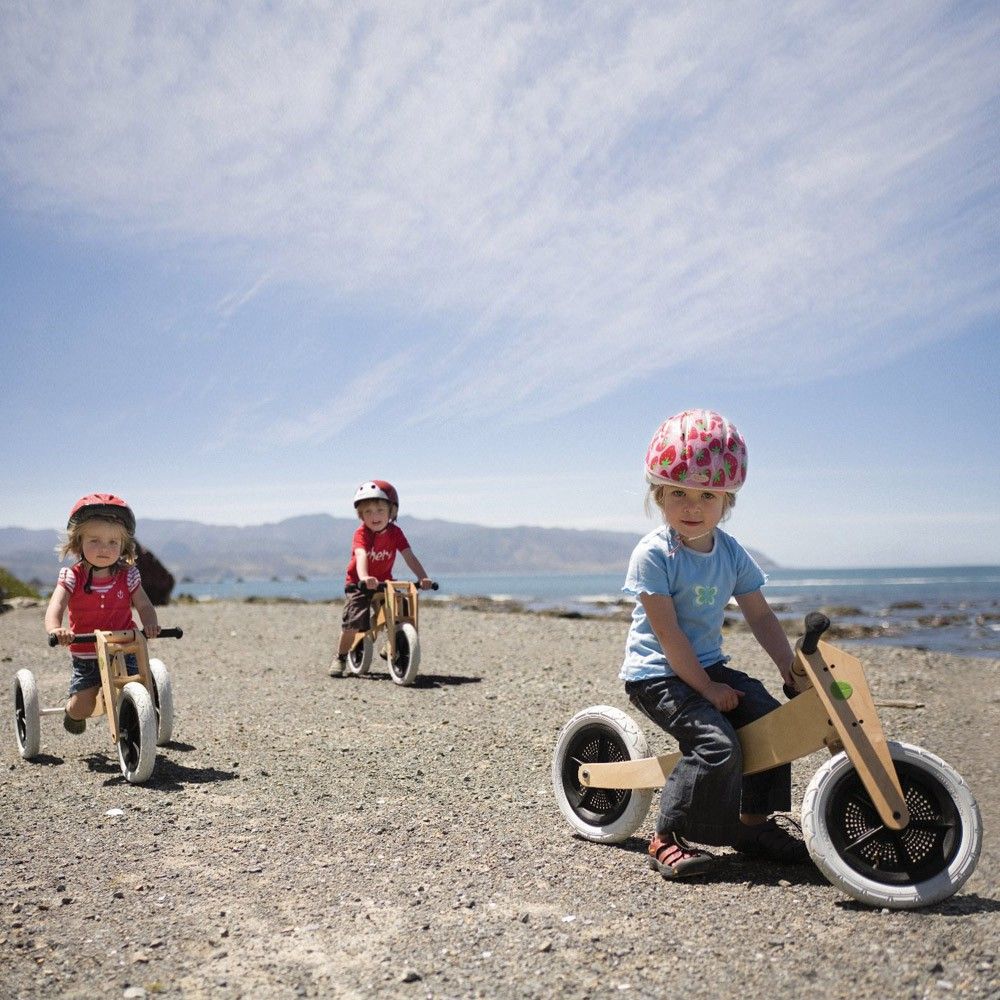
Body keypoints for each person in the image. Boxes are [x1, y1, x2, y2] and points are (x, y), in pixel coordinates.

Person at [620, 409, 808, 879]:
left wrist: (790, 668)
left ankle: (751, 824)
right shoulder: (654, 555)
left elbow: (760, 614)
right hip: (659, 673)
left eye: (707, 494)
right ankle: (669, 835)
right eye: (678, 492)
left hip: (704, 666)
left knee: (771, 720)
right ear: (658, 494)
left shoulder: (729, 552)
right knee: (716, 743)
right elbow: (669, 634)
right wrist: (705, 689)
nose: (692, 505)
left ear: (726, 499)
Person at [44, 494, 160, 734]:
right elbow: (56, 607)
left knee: (141, 688)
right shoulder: (72, 577)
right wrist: (56, 629)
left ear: (124, 545)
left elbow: (145, 606)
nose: (105, 549)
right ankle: (72, 712)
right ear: (78, 543)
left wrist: (150, 624)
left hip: (123, 647)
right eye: (95, 541)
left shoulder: (128, 575)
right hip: (87, 654)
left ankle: (138, 726)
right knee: (83, 706)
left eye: (113, 542)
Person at [330, 480, 432, 676]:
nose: (374, 516)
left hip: (384, 582)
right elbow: (360, 555)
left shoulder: (396, 533)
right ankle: (341, 657)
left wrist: (423, 577)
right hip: (358, 584)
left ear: (392, 511)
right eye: (367, 512)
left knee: (401, 608)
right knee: (354, 622)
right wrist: (365, 576)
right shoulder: (361, 533)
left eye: (379, 510)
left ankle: (394, 641)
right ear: (361, 515)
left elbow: (409, 556)